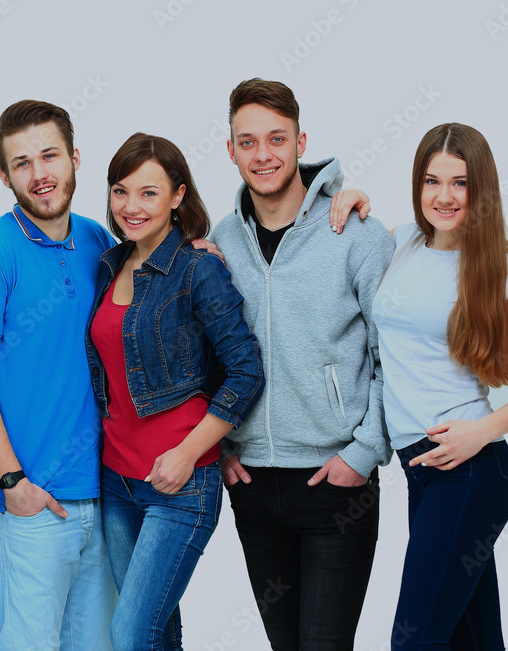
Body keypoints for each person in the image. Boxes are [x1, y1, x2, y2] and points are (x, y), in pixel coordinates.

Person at [212, 78, 395, 650]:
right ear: (232, 150)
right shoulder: (223, 240)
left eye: (276, 139)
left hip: (335, 484)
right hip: (252, 485)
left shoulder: (356, 233)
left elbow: (393, 355)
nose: (263, 154)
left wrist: (365, 451)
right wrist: (217, 445)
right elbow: (205, 352)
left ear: (299, 142)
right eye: (248, 142)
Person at [370, 123, 508, 650]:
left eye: (459, 183)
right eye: (432, 181)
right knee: (475, 640)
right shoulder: (401, 242)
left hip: (472, 471)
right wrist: (346, 196)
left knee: (413, 641)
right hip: (422, 469)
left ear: (481, 189)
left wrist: (482, 432)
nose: (444, 196)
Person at [0, 100, 118, 650]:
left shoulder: (99, 241)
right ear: (4, 176)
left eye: (49, 155)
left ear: (74, 159)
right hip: (25, 507)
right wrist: (13, 483)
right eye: (22, 163)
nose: (39, 173)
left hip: (105, 496)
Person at [85, 132, 265, 650]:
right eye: (121, 192)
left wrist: (189, 454)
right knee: (158, 632)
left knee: (130, 633)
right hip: (117, 481)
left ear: (178, 196)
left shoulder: (197, 268)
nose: (130, 206)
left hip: (180, 486)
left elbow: (246, 370)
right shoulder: (109, 264)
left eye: (148, 193)